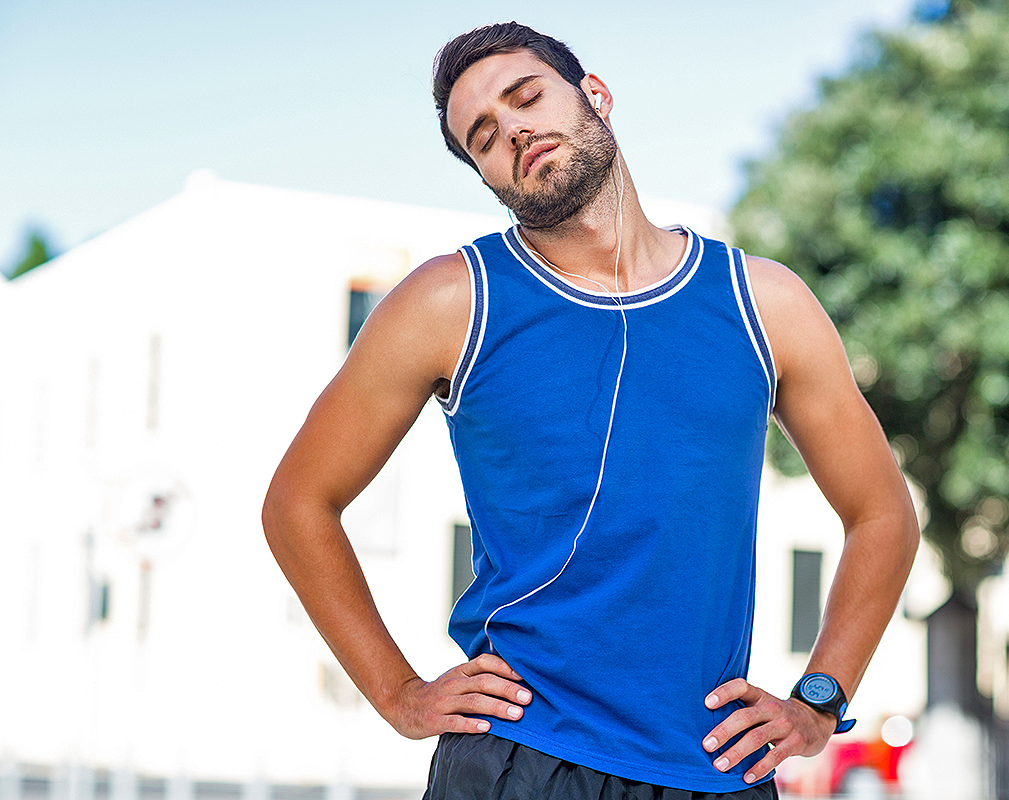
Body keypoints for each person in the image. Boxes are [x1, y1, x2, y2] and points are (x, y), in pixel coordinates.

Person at [262, 21, 919, 800]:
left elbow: (881, 513)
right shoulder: (450, 302)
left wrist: (820, 700)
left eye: (526, 97)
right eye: (484, 136)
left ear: (595, 97)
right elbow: (299, 503)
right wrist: (399, 694)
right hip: (519, 760)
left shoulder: (761, 303)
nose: (514, 130)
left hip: (714, 767)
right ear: (486, 174)